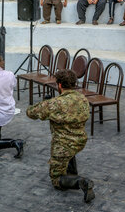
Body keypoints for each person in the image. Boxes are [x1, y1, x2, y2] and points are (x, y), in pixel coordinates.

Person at [26, 69, 95, 203]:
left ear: (59, 85)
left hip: (63, 144)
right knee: (69, 150)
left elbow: (31, 112)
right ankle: (72, 173)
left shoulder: (55, 103)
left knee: (56, 179)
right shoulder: (82, 99)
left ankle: (82, 182)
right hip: (80, 140)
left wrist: (45, 102)